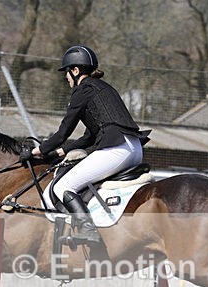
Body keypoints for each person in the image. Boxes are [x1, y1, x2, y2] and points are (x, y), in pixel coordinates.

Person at [30, 45, 150, 245]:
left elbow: (62, 132)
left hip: (116, 149)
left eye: (67, 74)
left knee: (63, 186)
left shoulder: (82, 90)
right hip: (134, 148)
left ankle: (88, 231)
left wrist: (37, 151)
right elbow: (88, 137)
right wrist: (59, 152)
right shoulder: (105, 88)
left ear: (75, 71)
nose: (67, 79)